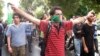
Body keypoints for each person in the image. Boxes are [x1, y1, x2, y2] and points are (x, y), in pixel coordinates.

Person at [10, 4, 95, 56]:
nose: (60, 16)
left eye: (61, 14)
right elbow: (32, 19)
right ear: (52, 16)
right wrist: (18, 10)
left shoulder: (64, 25)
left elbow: (77, 20)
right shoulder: (47, 25)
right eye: (57, 14)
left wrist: (86, 16)